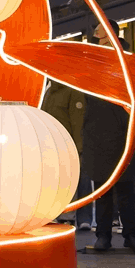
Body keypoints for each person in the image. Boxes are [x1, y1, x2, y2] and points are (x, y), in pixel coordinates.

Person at [85, 18, 135, 254]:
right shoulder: (92, 58)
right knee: (102, 188)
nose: (95, 32)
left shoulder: (127, 59)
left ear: (110, 32)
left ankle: (131, 235)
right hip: (97, 131)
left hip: (123, 131)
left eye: (98, 28)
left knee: (127, 188)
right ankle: (103, 235)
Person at [42, 78, 92, 229]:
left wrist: (79, 147)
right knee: (66, 181)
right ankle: (70, 216)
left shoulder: (66, 91)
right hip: (59, 144)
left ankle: (80, 218)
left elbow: (77, 121)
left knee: (80, 181)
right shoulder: (50, 91)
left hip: (69, 144)